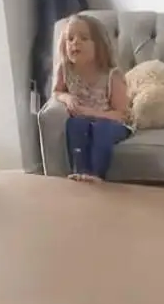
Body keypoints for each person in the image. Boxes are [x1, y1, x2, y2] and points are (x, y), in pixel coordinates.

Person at [53, 13, 130, 181]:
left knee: (101, 129)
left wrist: (89, 112)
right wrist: (67, 98)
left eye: (84, 38)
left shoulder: (111, 75)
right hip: (83, 120)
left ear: (99, 45)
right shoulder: (65, 70)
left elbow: (123, 114)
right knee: (75, 124)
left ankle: (96, 175)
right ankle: (80, 172)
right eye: (70, 39)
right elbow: (57, 92)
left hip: (111, 123)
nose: (75, 43)